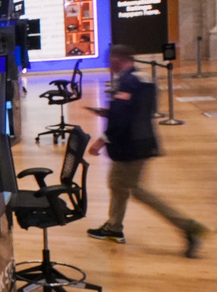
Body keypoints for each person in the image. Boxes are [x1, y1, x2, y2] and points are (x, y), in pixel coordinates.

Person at [84, 45, 208, 258]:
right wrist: (110, 112)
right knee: (117, 183)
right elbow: (140, 111)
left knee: (136, 189)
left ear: (117, 59)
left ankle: (189, 227)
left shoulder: (126, 81)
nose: (108, 65)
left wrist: (101, 140)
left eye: (110, 60)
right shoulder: (144, 79)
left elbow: (123, 119)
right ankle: (113, 228)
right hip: (143, 141)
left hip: (130, 145)